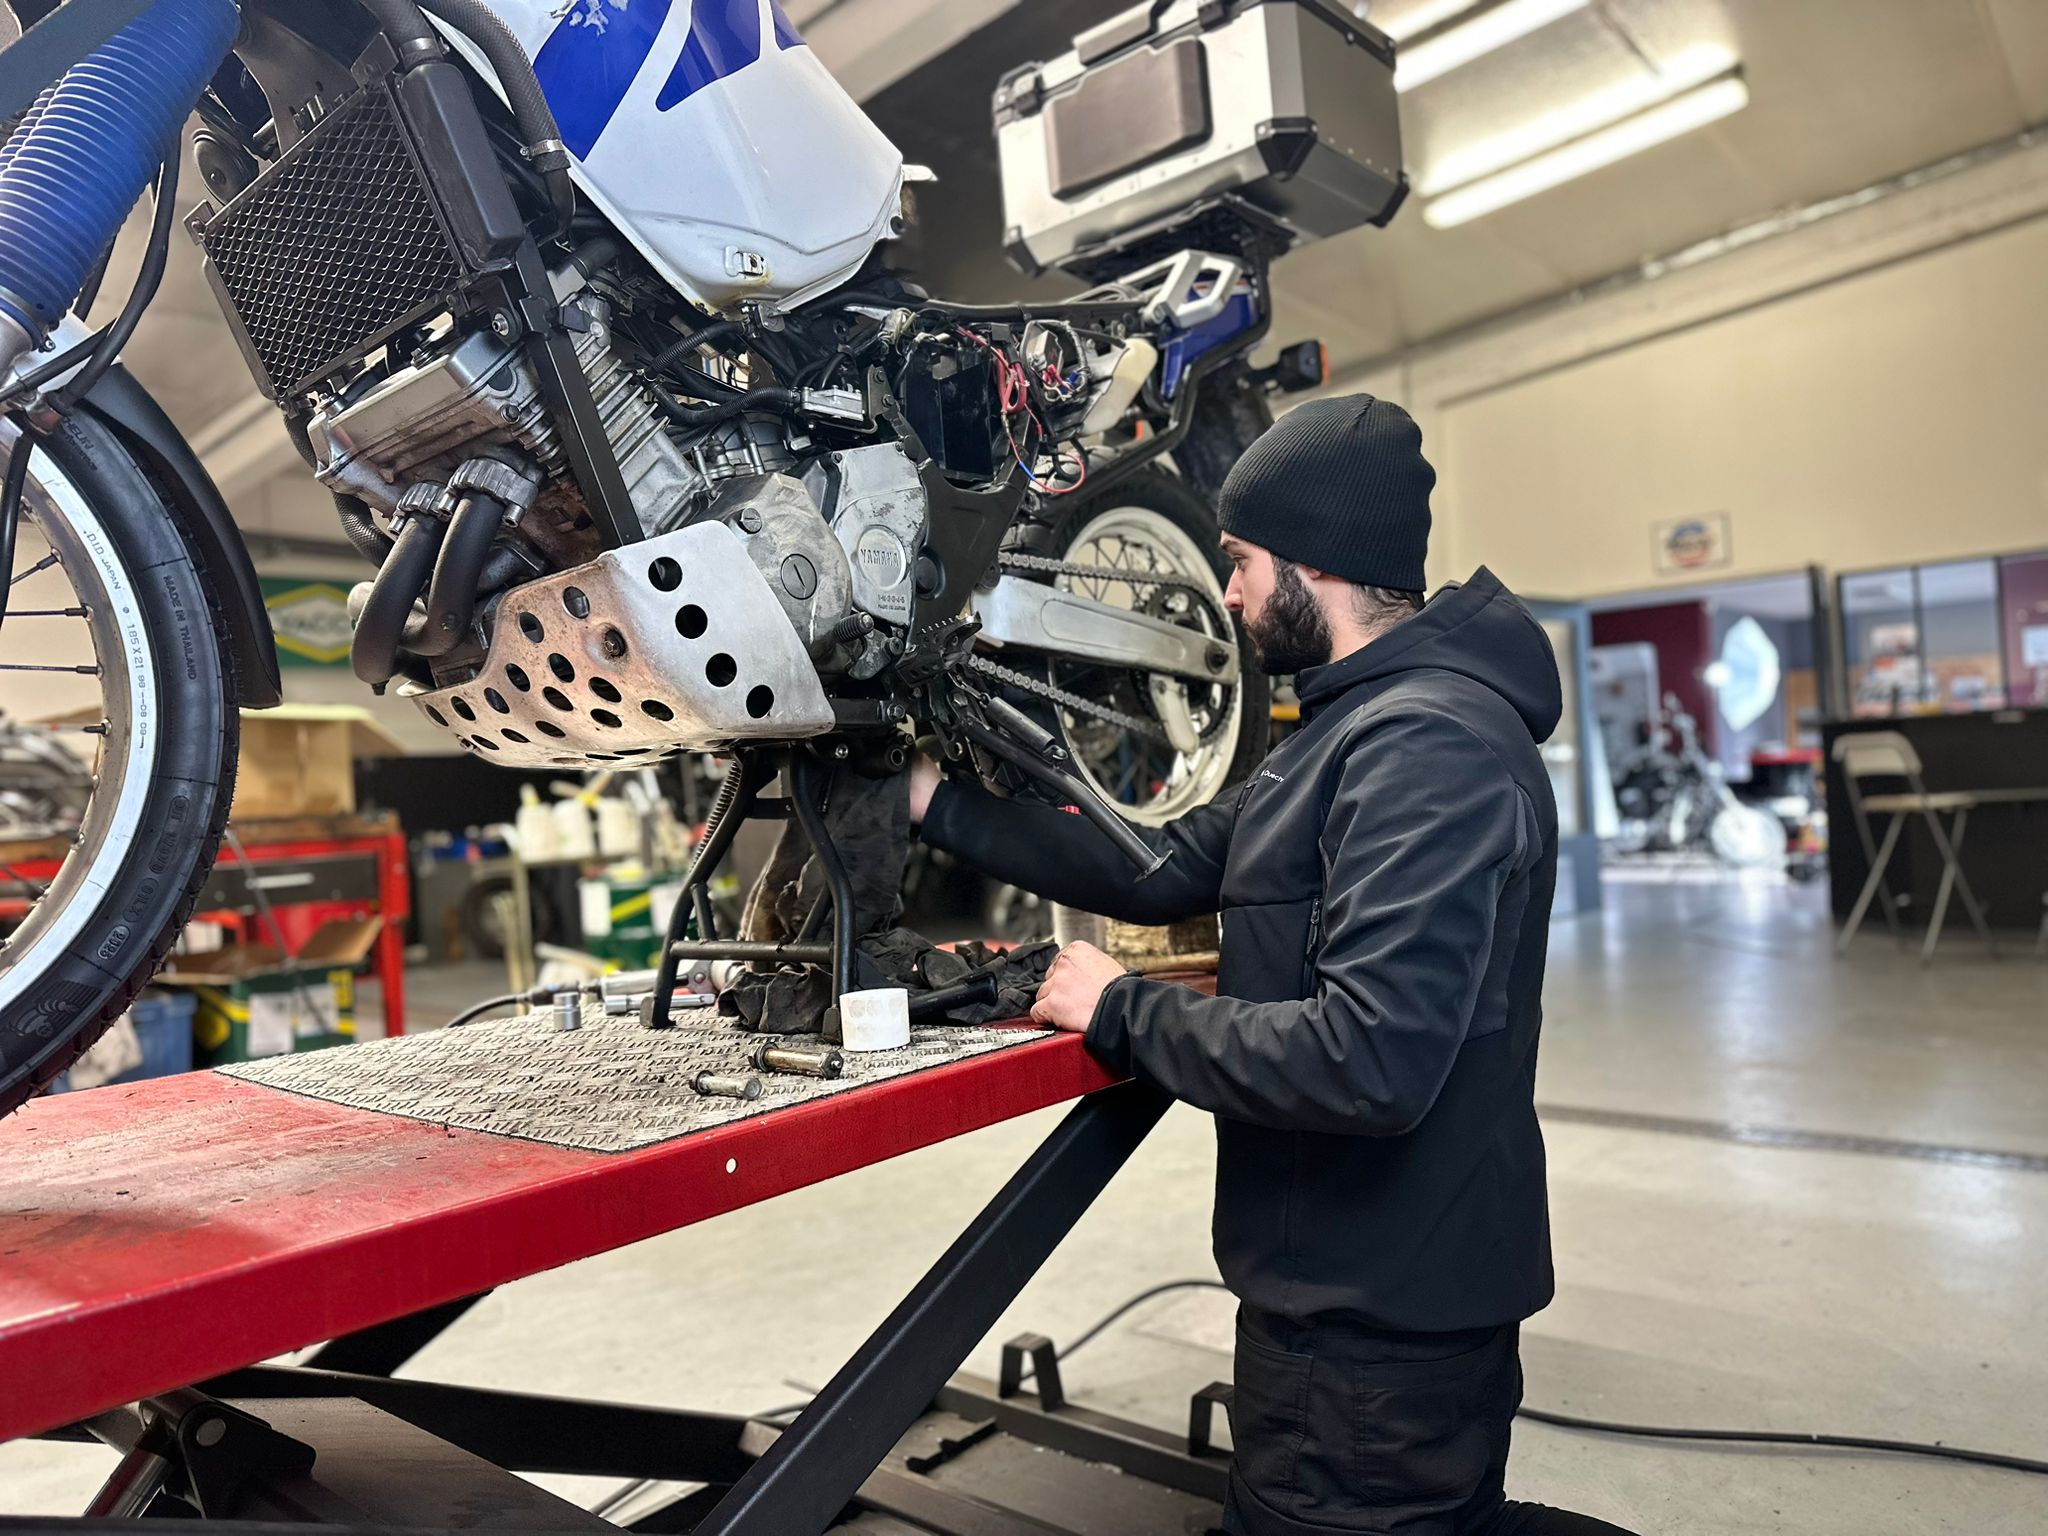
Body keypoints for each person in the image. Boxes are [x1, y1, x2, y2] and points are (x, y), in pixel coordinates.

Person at [909, 397, 1638, 1536]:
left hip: (1374, 1322)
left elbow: (1368, 1061)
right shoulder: (1345, 735)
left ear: (1313, 565)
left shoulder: (1424, 749)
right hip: (1347, 1290)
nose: (1231, 594)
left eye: (1240, 562)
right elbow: (1159, 866)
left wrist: (1122, 1010)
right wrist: (931, 802)